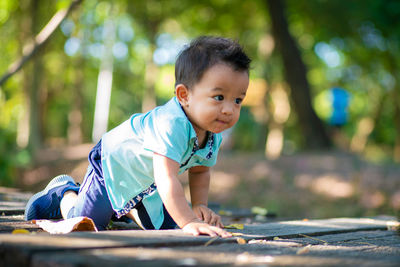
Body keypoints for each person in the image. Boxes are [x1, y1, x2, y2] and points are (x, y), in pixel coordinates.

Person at [24, 36, 251, 238]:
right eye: (219, 97)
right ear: (184, 95)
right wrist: (190, 221)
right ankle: (64, 192)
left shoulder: (212, 134)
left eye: (238, 100)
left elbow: (200, 170)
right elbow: (166, 178)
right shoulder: (171, 124)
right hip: (112, 165)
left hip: (144, 181)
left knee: (164, 228)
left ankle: (122, 208)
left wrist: (200, 205)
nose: (229, 110)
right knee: (87, 224)